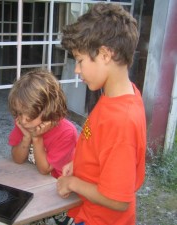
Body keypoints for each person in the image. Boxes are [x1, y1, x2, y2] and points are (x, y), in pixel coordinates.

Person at [56, 3, 146, 225]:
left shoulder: (121, 120)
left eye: (80, 60)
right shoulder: (117, 96)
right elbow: (97, 142)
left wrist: (73, 183)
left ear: (105, 54)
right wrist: (77, 163)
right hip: (88, 210)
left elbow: (118, 200)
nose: (76, 70)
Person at [8, 69, 78, 179]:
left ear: (48, 109)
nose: (23, 121)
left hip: (57, 182)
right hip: (34, 177)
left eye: (30, 115)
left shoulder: (66, 132)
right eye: (19, 113)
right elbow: (17, 159)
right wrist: (26, 138)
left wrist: (37, 138)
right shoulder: (24, 124)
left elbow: (44, 169)